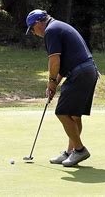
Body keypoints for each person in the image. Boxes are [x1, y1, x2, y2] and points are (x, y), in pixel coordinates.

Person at [25, 9, 99, 167]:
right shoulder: (57, 27)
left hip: (81, 73)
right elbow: (63, 66)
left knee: (62, 112)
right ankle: (71, 152)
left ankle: (79, 150)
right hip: (86, 71)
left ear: (38, 23)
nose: (33, 32)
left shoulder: (51, 31)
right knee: (74, 115)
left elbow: (54, 61)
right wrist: (54, 85)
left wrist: (51, 81)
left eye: (32, 28)